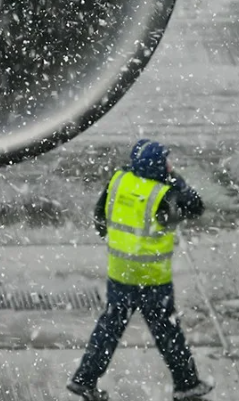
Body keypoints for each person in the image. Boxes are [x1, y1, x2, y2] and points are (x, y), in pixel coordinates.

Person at [68, 139, 215, 401]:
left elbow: (100, 216)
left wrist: (114, 238)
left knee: (110, 327)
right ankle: (186, 385)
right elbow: (195, 206)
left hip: (120, 272)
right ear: (159, 166)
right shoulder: (164, 193)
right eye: (166, 160)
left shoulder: (119, 180)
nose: (170, 164)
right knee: (167, 332)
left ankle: (84, 379)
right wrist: (175, 179)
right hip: (152, 277)